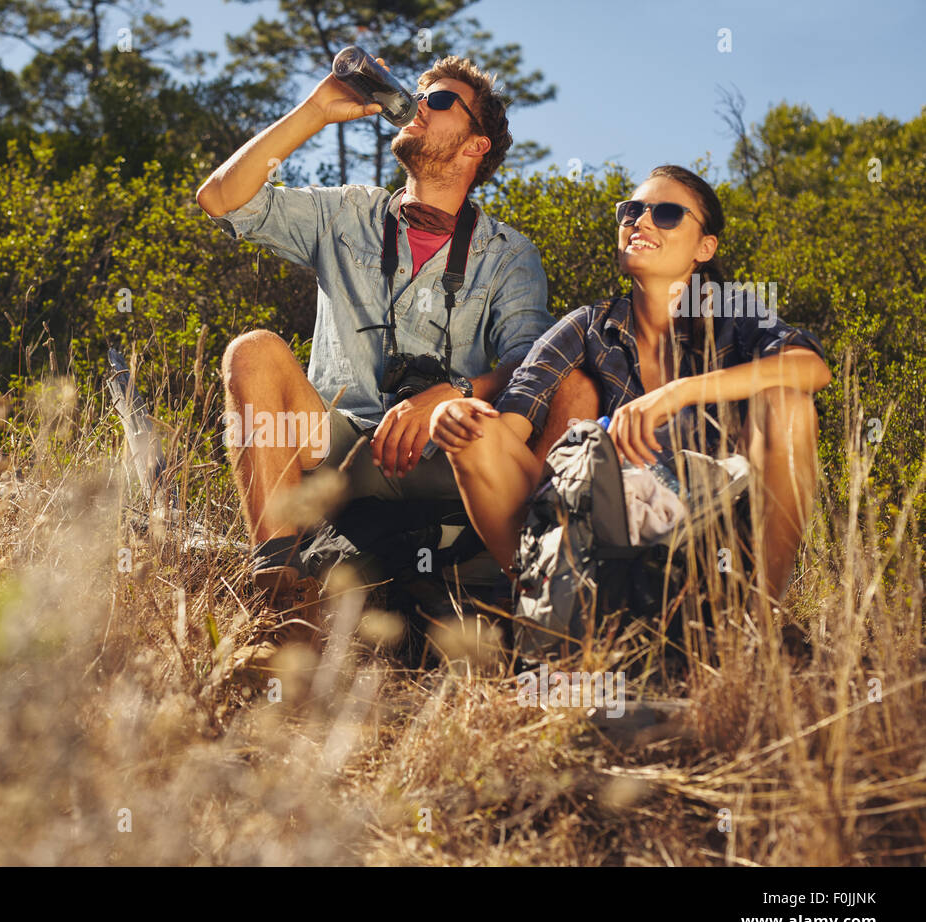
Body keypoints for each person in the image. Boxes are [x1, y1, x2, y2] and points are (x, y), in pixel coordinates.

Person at [196, 55, 599, 668]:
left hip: (442, 453)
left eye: (438, 102)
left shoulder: (508, 253)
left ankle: (542, 596)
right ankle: (279, 602)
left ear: (475, 145)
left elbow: (531, 361)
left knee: (574, 388)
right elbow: (222, 199)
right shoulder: (348, 212)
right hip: (337, 447)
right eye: (415, 94)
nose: (415, 105)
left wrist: (449, 393)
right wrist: (315, 110)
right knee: (253, 352)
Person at [430, 164, 832, 619]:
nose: (640, 221)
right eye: (632, 211)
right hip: (606, 534)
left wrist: (680, 391)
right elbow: (510, 426)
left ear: (705, 247)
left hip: (715, 538)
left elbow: (811, 367)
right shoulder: (588, 325)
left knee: (787, 404)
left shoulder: (734, 313)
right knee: (473, 436)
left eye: (666, 213)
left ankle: (757, 619)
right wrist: (458, 418)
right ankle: (551, 613)